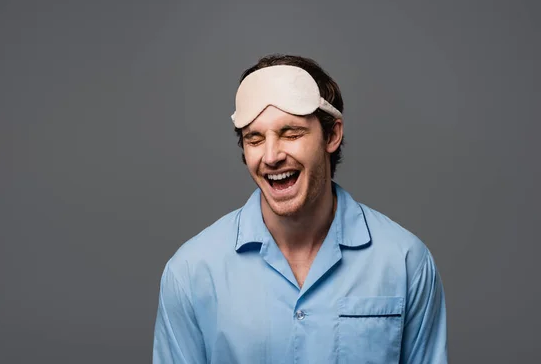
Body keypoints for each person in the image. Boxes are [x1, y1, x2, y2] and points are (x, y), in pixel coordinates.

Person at [152, 54, 448, 363]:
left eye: (290, 133)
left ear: (332, 135)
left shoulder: (405, 262)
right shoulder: (190, 273)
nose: (271, 156)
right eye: (254, 139)